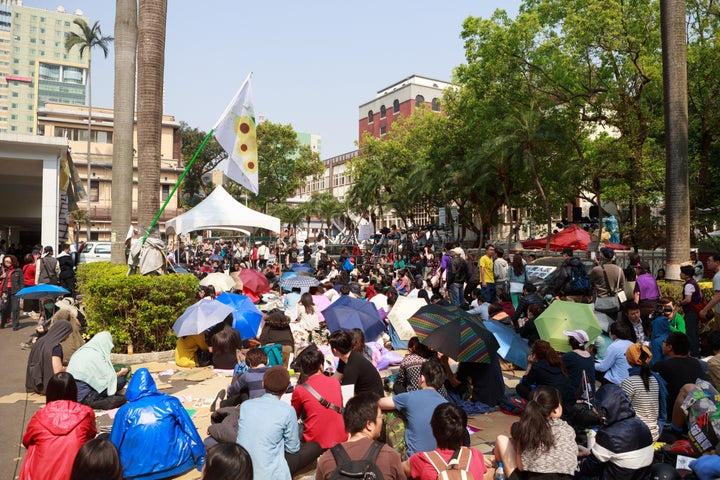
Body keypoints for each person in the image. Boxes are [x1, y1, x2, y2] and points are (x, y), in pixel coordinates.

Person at [110, 368, 205, 480]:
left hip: (135, 472)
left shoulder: (125, 411)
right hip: (179, 464)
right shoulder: (170, 402)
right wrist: (201, 460)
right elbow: (189, 430)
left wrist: (110, 470)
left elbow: (114, 442)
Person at [237, 366, 322, 480]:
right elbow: (292, 448)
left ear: (263, 384)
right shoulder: (287, 410)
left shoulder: (246, 406)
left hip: (241, 467)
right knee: (315, 446)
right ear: (286, 388)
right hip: (270, 474)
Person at [20, 372, 96, 480]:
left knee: (34, 445)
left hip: (41, 475)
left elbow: (26, 441)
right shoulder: (86, 413)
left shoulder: (39, 416)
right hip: (75, 473)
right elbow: (92, 435)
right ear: (74, 391)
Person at [315, 392, 407, 480]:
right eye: (380, 417)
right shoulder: (390, 456)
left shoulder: (326, 459)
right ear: (369, 424)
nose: (381, 421)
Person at [494, 386, 578, 479]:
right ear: (556, 409)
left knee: (501, 439)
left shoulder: (527, 429)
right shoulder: (568, 429)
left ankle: (496, 465)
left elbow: (521, 468)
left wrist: (519, 446)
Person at [577, 384, 654, 479]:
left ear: (605, 409)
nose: (595, 412)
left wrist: (577, 464)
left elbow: (590, 467)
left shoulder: (608, 434)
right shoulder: (641, 425)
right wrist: (589, 452)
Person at [405, 403, 492, 480]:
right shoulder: (476, 455)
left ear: (433, 428)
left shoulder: (420, 460)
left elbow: (396, 471)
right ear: (464, 431)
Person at [379, 361, 448, 456]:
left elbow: (380, 403)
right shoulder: (446, 404)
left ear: (422, 378)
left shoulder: (410, 397)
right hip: (438, 458)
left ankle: (386, 452)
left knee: (391, 413)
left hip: (413, 460)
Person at [291, 347, 347, 449]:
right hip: (340, 438)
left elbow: (293, 416)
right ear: (321, 366)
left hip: (315, 443)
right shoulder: (335, 382)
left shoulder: (300, 390)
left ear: (303, 369)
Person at [67, 331, 129, 410]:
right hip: (87, 396)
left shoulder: (80, 352)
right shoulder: (97, 356)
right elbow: (107, 380)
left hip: (73, 395)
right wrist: (121, 373)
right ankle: (95, 402)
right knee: (121, 382)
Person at [652, 332, 708, 416]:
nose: (662, 344)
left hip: (673, 413)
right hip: (698, 410)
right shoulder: (696, 363)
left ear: (669, 347)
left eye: (664, 342)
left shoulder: (662, 366)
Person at [620, 343, 667, 441]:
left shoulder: (629, 382)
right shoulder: (656, 379)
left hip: (636, 433)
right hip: (655, 432)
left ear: (629, 360)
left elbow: (621, 410)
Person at [516, 340, 576, 412]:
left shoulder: (538, 366)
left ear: (535, 354)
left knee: (520, 387)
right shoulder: (558, 362)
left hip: (550, 400)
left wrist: (529, 364)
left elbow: (525, 382)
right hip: (567, 400)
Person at [329, 329, 384, 397]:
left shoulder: (351, 367)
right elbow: (335, 379)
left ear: (335, 350)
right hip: (367, 395)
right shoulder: (346, 358)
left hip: (371, 401)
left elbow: (346, 397)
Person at [25, 319, 73, 394]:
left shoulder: (40, 341)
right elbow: (58, 370)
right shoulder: (55, 347)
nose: (68, 337)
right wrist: (72, 367)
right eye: (67, 334)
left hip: (34, 384)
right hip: (48, 386)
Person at [589, 246, 626, 318]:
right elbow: (622, 286)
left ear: (601, 257)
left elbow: (590, 280)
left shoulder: (596, 270)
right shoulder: (619, 270)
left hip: (600, 301)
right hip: (614, 302)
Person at [594, 321, 633, 385]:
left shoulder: (614, 346)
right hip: (631, 380)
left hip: (617, 381)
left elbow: (603, 367)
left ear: (613, 334)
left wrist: (591, 364)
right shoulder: (632, 344)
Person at [561, 329, 595, 399]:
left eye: (569, 338)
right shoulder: (590, 356)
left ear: (572, 341)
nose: (568, 339)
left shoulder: (570, 356)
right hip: (590, 393)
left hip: (575, 395)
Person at [679, 264, 702, 357]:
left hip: (691, 311)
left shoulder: (689, 285)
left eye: (681, 272)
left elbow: (688, 300)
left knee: (691, 333)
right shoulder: (694, 282)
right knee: (692, 332)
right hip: (694, 311)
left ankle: (695, 354)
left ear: (687, 275)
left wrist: (680, 303)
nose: (680, 274)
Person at [1, 253, 24, 329]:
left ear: (13, 261)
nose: (6, 263)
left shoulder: (18, 270)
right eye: (5, 261)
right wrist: (1, 276)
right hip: (5, 291)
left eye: (8, 261)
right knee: (3, 308)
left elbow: (22, 282)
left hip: (15, 291)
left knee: (15, 308)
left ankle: (15, 325)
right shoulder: (4, 271)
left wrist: (21, 292)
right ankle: (3, 323)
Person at [700, 251, 720, 320]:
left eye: (709, 261)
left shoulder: (718, 276)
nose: (707, 263)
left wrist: (704, 310)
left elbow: (718, 296)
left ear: (717, 263)